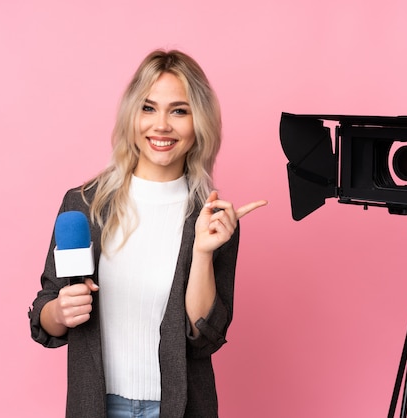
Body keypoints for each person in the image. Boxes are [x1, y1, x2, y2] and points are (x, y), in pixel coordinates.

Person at [29, 49, 267, 418]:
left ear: (198, 122)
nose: (161, 126)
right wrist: (59, 312)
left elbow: (204, 338)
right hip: (98, 406)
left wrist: (203, 253)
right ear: (131, 116)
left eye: (179, 110)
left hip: (180, 408)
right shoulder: (84, 205)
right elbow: (44, 311)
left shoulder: (212, 220)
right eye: (148, 108)